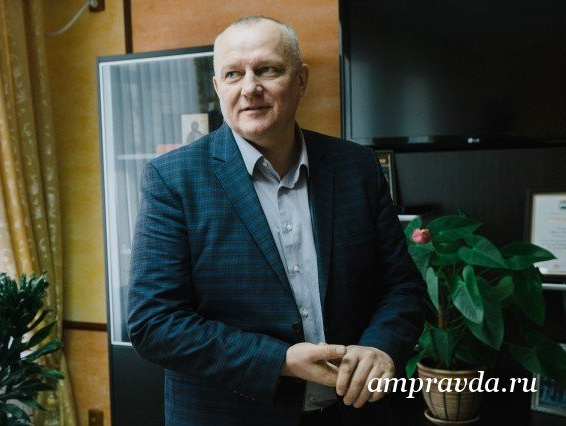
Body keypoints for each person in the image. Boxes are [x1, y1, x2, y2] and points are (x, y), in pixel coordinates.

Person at [127, 16, 425, 426]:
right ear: (218, 87)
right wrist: (279, 360)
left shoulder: (357, 166)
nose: (250, 88)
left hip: (353, 413)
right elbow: (154, 323)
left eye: (267, 69)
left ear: (301, 80)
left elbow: (403, 286)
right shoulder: (172, 178)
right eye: (233, 74)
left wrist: (381, 347)